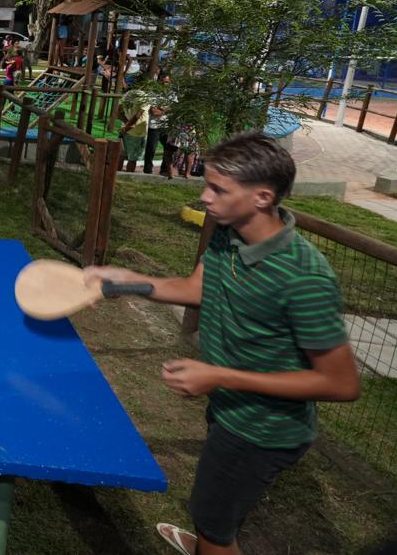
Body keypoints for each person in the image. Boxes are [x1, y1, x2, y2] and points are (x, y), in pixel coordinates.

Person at [85, 132, 359, 555]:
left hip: (261, 429)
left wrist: (219, 375)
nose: (204, 196)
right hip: (232, 411)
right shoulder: (230, 231)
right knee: (219, 512)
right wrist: (126, 281)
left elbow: (341, 383)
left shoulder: (304, 278)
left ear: (263, 197)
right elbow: (197, 287)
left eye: (218, 189)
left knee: (213, 525)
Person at [117, 86, 151, 172]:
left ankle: (115, 174)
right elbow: (137, 116)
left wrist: (126, 124)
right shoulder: (144, 97)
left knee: (121, 155)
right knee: (133, 159)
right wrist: (128, 126)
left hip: (125, 130)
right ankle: (128, 176)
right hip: (137, 132)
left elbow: (118, 113)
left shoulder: (127, 94)